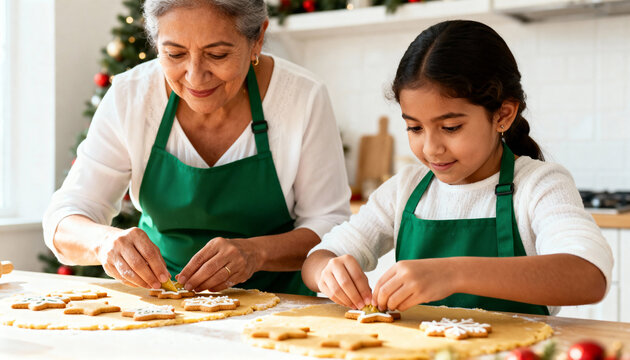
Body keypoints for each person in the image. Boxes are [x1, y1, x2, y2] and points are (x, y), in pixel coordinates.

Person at [302, 20, 612, 315]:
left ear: (503, 115)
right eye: (415, 128)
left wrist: (453, 272)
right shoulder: (405, 190)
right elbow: (317, 259)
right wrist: (329, 272)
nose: (430, 148)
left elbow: (588, 276)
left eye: (450, 127)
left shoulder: (540, 185)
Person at [43, 0, 350, 296]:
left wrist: (257, 252)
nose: (195, 76)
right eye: (175, 53)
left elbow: (331, 225)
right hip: (165, 308)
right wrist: (104, 242)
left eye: (217, 54)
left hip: (284, 312)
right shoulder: (131, 97)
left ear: (257, 39)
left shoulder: (301, 98)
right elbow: (64, 217)